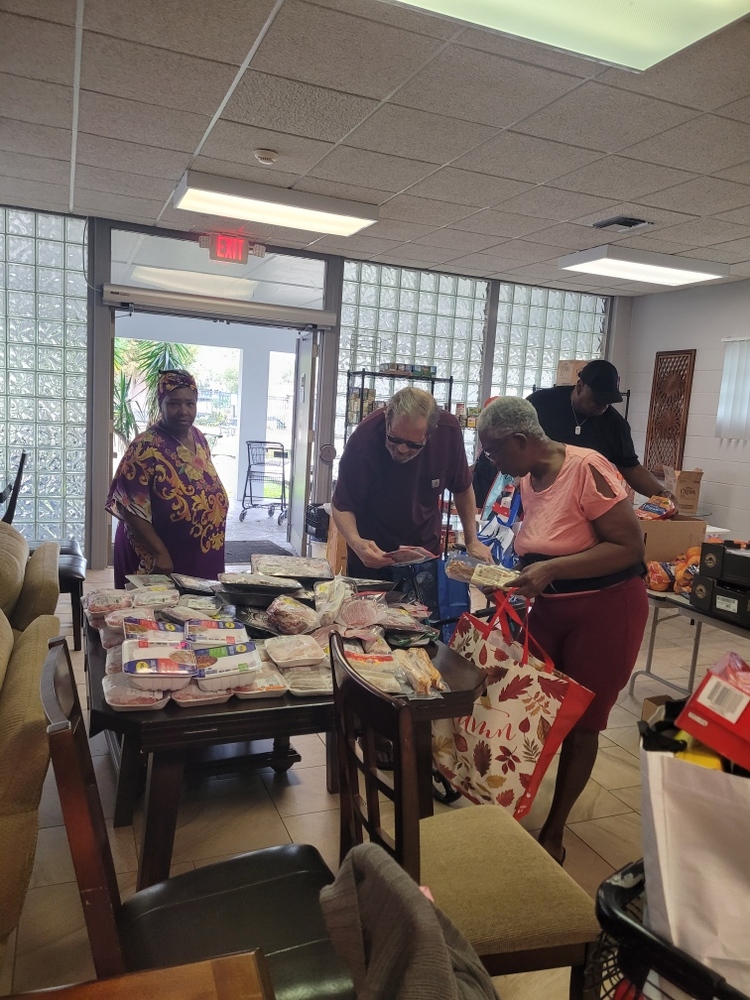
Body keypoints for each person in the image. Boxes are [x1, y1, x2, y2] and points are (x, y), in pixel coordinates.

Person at [478, 396, 648, 865]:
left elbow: (629, 548)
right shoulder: (529, 478)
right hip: (550, 607)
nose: (492, 463)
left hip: (607, 610)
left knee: (583, 724)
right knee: (528, 705)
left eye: (493, 452)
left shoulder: (586, 467)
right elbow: (548, 540)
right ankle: (506, 803)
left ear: (520, 440)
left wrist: (551, 570)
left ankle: (554, 831)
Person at [332, 387, 491, 605]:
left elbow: (462, 487)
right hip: (371, 555)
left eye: (414, 445)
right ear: (387, 418)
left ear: (431, 432)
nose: (403, 449)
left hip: (423, 554)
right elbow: (342, 504)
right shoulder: (364, 439)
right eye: (395, 439)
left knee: (422, 625)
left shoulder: (448, 431)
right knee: (367, 627)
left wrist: (472, 540)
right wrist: (356, 541)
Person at [106, 369, 229, 587]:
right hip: (160, 560)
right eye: (174, 404)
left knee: (201, 615)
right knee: (158, 617)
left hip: (200, 555)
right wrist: (159, 552)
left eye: (190, 404)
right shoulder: (145, 447)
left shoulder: (198, 438)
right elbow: (129, 506)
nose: (183, 411)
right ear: (161, 404)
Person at [528, 359, 676, 504]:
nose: (603, 406)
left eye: (608, 401)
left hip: (581, 502)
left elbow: (632, 469)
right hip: (535, 492)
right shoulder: (540, 403)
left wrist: (661, 493)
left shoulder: (615, 425)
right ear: (580, 387)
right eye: (598, 400)